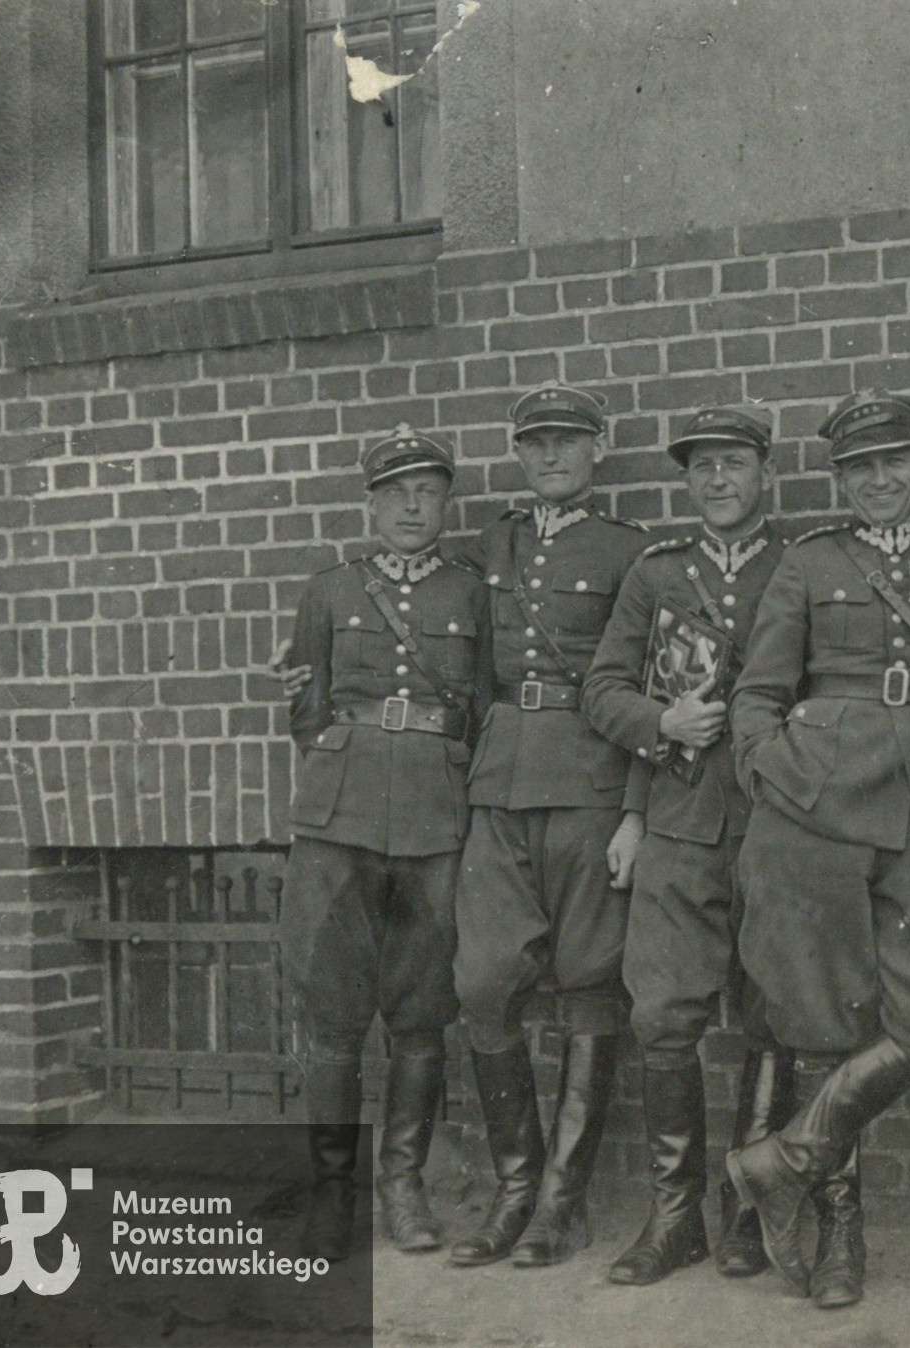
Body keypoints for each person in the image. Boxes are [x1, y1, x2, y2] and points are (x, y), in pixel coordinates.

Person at [723, 390, 910, 1309]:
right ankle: (840, 1230)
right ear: (839, 478)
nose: (879, 480)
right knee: (818, 1018)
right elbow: (756, 692)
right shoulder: (808, 562)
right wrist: (772, 770)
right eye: (859, 468)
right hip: (818, 804)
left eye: (895, 463)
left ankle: (785, 1159)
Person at [580, 405, 795, 1286]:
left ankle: (750, 1206)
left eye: (733, 463)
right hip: (677, 815)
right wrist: (659, 721)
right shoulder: (657, 572)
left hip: (780, 818)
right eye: (701, 466)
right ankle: (675, 1218)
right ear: (686, 479)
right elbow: (602, 687)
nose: (717, 480)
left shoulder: (802, 565)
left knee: (776, 1013)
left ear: (764, 472)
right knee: (663, 1016)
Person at [445, 383, 652, 1270]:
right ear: (518, 452)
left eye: (568, 442)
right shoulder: (490, 547)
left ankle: (559, 1203)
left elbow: (651, 684)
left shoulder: (631, 553)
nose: (552, 457)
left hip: (591, 780)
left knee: (588, 984)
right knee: (484, 982)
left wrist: (637, 807)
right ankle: (515, 1183)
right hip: (500, 783)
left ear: (599, 449)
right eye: (536, 444)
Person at [277, 426, 491, 1260]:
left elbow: (479, 704)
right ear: (370, 503)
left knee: (421, 1015)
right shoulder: (330, 590)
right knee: (333, 1016)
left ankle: (404, 1189)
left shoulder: (472, 596)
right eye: (397, 491)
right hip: (340, 821)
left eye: (429, 491)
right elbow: (308, 710)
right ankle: (333, 1194)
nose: (412, 505)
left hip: (435, 822)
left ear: (445, 504)